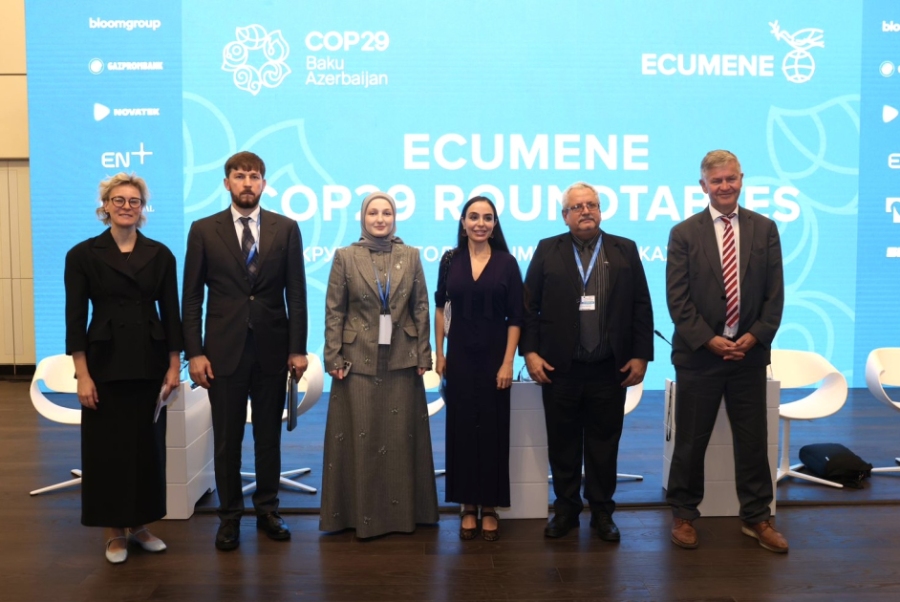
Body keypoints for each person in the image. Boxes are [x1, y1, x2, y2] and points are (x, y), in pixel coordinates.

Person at [182, 151, 308, 551]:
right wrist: (194, 353)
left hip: (272, 350)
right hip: (223, 353)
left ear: (264, 184)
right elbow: (191, 298)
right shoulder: (204, 230)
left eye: (254, 176)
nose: (247, 183)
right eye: (239, 176)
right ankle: (230, 517)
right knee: (226, 440)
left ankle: (268, 510)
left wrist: (298, 348)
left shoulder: (286, 228)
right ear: (227, 184)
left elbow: (297, 293)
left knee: (268, 438)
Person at [665, 150, 787, 553]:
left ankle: (757, 517)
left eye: (730, 178)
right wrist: (709, 339)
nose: (724, 186)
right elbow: (678, 299)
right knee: (690, 441)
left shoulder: (765, 229)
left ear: (741, 179)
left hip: (748, 356)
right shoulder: (684, 233)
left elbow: (774, 294)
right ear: (703, 185)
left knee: (753, 442)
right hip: (699, 357)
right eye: (716, 180)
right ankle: (684, 514)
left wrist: (755, 336)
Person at [521, 182, 653, 542]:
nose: (586, 211)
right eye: (577, 207)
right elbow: (528, 306)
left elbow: (641, 305)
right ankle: (565, 510)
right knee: (563, 443)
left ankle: (602, 512)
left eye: (592, 205)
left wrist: (641, 355)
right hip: (560, 368)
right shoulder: (548, 249)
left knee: (604, 444)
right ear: (565, 215)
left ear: (600, 211)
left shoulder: (625, 249)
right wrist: (530, 353)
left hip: (609, 368)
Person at [65, 173, 182, 564]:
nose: (126, 206)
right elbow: (74, 318)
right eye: (119, 200)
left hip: (150, 359)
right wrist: (82, 374)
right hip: (104, 362)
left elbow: (172, 314)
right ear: (105, 206)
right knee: (107, 450)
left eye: (134, 201)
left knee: (147, 448)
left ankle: (141, 525)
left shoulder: (160, 254)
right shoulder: (82, 255)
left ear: (142, 207)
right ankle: (114, 531)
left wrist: (174, 365)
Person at [319, 191, 439, 538]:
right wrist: (332, 356)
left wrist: (424, 354)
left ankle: (405, 516)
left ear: (394, 218)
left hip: (402, 357)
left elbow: (421, 307)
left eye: (387, 212)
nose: (380, 219)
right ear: (363, 217)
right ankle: (355, 516)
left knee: (401, 439)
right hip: (355, 360)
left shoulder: (410, 255)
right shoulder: (345, 257)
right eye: (373, 212)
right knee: (360, 438)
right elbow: (334, 310)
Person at [434, 196, 524, 541]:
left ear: (495, 225)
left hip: (494, 360)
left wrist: (508, 362)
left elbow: (516, 317)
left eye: (487, 218)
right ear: (463, 223)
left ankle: (490, 506)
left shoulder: (507, 263)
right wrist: (439, 352)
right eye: (473, 217)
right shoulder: (449, 260)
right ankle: (467, 505)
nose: (480, 223)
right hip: (458, 358)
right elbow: (441, 308)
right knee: (461, 431)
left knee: (492, 431)